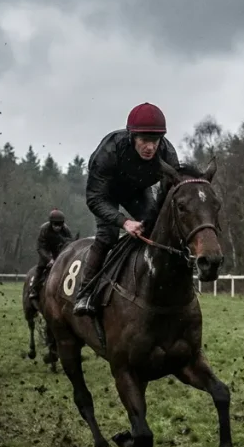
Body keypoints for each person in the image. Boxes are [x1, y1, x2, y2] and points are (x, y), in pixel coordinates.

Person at [73, 102, 180, 316]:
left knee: (157, 230)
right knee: (108, 235)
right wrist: (124, 222)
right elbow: (94, 199)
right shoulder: (109, 151)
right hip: (106, 194)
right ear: (132, 137)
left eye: (155, 141)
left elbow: (173, 195)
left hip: (137, 192)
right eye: (144, 141)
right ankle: (85, 293)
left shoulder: (167, 153)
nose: (150, 147)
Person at [30, 209, 74, 304]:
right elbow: (40, 247)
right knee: (40, 267)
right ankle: (34, 290)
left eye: (60, 225)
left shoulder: (65, 229)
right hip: (45, 249)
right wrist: (49, 259)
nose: (57, 227)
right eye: (55, 225)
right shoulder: (44, 229)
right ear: (51, 223)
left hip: (58, 248)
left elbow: (71, 244)